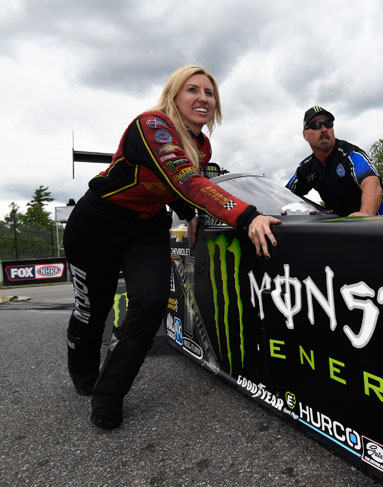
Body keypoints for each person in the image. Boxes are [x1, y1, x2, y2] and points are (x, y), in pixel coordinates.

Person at [64, 65, 281, 430]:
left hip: (146, 225)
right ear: (174, 97)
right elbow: (184, 178)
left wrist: (188, 212)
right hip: (97, 222)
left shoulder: (202, 146)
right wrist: (248, 217)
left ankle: (110, 392)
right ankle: (83, 373)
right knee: (92, 310)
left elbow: (178, 187)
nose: (202, 98)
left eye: (209, 93)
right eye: (192, 90)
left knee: (150, 303)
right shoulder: (152, 125)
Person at [286, 106, 383, 216]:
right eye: (316, 125)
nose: (324, 129)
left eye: (328, 124)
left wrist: (365, 214)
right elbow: (282, 195)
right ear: (305, 135)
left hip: (378, 225)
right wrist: (265, 216)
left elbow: (371, 183)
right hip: (341, 229)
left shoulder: (351, 154)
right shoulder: (306, 168)